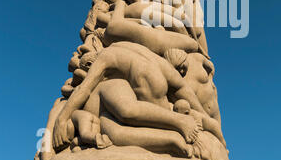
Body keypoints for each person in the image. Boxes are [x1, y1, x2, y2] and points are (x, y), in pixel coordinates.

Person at [52, 41, 207, 151]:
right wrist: (202, 113)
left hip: (145, 75)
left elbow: (84, 89)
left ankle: (180, 121)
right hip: (159, 69)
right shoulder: (122, 47)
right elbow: (181, 86)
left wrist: (62, 119)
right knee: (122, 128)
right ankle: (182, 127)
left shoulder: (104, 58)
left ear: (91, 63)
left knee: (128, 111)